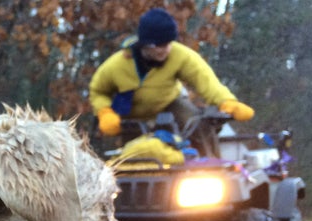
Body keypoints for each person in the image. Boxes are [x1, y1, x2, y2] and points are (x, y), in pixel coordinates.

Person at [89, 7, 254, 157]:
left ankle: (213, 168)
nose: (166, 49)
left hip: (169, 105)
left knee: (200, 125)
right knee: (134, 155)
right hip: (132, 115)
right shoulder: (117, 65)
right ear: (144, 44)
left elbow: (206, 81)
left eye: (168, 43)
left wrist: (228, 102)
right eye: (159, 45)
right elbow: (98, 90)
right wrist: (104, 112)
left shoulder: (179, 55)